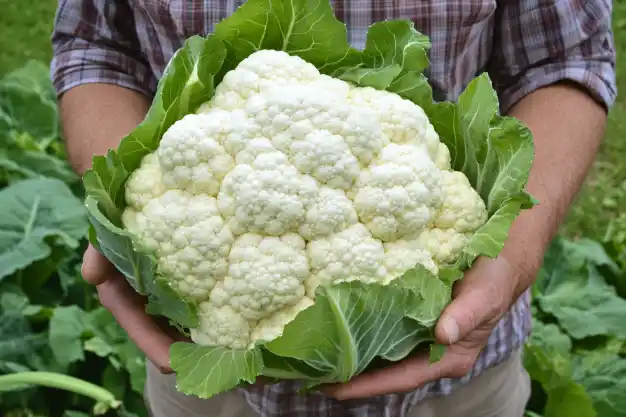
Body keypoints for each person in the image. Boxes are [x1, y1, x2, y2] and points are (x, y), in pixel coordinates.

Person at [51, 1, 615, 416]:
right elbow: (96, 45)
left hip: (457, 386)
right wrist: (127, 217)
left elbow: (566, 58)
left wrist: (513, 252)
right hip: (205, 381)